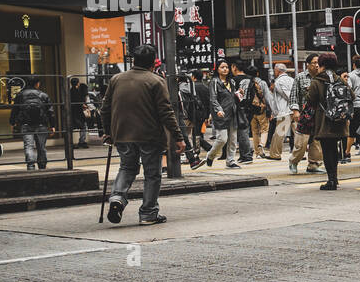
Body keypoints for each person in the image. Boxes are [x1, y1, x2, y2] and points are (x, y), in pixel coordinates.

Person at [100, 44, 186, 225]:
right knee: (152, 174)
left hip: (122, 133)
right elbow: (166, 112)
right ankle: (148, 213)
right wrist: (178, 136)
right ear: (153, 63)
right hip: (149, 135)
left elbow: (105, 109)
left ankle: (117, 197)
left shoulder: (116, 79)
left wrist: (107, 132)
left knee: (127, 167)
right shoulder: (155, 81)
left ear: (133, 60)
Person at [304, 53, 349, 190]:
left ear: (322, 65)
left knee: (327, 150)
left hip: (324, 121)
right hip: (339, 121)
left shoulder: (317, 81)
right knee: (334, 151)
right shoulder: (339, 80)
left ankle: (331, 180)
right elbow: (351, 95)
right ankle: (334, 178)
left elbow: (310, 99)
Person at [289, 55, 324, 174]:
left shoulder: (322, 77)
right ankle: (293, 162)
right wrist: (295, 111)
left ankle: (314, 165)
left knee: (317, 142)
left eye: (318, 62)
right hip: (304, 115)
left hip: (319, 114)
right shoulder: (300, 77)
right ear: (307, 64)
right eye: (314, 63)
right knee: (301, 142)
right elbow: (294, 95)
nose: (317, 65)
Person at [10, 77, 54, 170]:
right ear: (37, 84)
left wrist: (12, 122)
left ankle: (30, 166)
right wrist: (52, 125)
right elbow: (50, 111)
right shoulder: (43, 95)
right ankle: (42, 166)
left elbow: (15, 110)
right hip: (42, 124)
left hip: (26, 124)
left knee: (28, 146)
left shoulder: (20, 95)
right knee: (41, 147)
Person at [203, 60, 241, 168]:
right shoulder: (214, 82)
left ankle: (231, 161)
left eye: (227, 67)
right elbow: (213, 98)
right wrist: (218, 110)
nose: (225, 69)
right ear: (217, 69)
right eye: (222, 67)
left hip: (232, 112)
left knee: (233, 139)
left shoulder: (232, 82)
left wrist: (239, 94)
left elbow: (233, 97)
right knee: (222, 139)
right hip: (221, 114)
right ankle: (210, 156)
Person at [267, 63, 293, 161]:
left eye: (275, 70)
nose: (274, 72)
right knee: (298, 134)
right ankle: (300, 154)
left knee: (279, 134)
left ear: (278, 71)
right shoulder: (292, 80)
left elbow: (287, 95)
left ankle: (275, 154)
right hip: (294, 110)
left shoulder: (278, 82)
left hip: (285, 111)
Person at [69, 77, 90, 149]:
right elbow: (80, 102)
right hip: (79, 112)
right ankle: (81, 142)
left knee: (71, 128)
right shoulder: (78, 92)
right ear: (77, 83)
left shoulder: (70, 91)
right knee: (83, 126)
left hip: (72, 112)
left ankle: (70, 143)